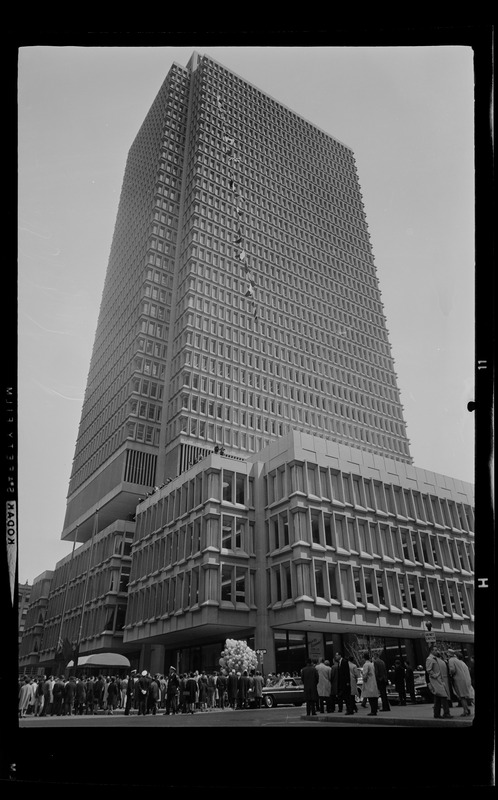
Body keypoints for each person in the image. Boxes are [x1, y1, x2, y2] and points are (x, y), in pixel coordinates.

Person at [426, 646, 452, 718]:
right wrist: (435, 676)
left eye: (436, 649)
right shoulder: (430, 659)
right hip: (436, 681)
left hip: (440, 680)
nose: (436, 651)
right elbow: (429, 670)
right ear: (431, 651)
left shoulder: (436, 658)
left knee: (438, 698)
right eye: (435, 650)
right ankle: (446, 713)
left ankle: (437, 714)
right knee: (443, 696)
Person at [447, 650, 474, 716]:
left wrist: (450, 674)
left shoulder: (451, 660)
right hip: (465, 680)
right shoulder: (460, 661)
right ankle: (467, 709)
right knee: (468, 695)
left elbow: (452, 669)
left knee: (462, 697)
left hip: (458, 680)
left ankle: (466, 710)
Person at [361, 652, 379, 716]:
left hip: (369, 682)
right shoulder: (371, 664)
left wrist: (363, 678)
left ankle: (373, 711)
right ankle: (375, 710)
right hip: (373, 681)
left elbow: (365, 674)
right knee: (374, 697)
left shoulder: (366, 665)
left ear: (364, 658)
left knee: (371, 698)